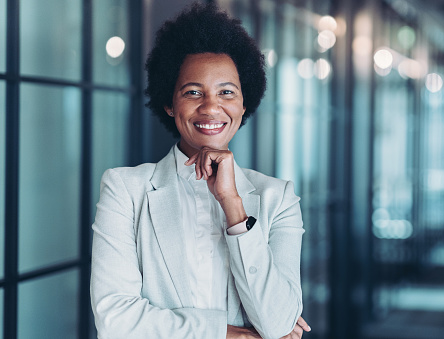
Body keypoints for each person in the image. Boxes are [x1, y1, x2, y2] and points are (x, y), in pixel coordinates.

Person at [90, 3, 309, 338]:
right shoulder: (125, 189)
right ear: (169, 102)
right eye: (193, 92)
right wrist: (223, 334)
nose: (210, 107)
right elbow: (115, 319)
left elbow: (279, 321)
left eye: (226, 92)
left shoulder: (278, 198)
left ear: (243, 103)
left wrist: (233, 206)